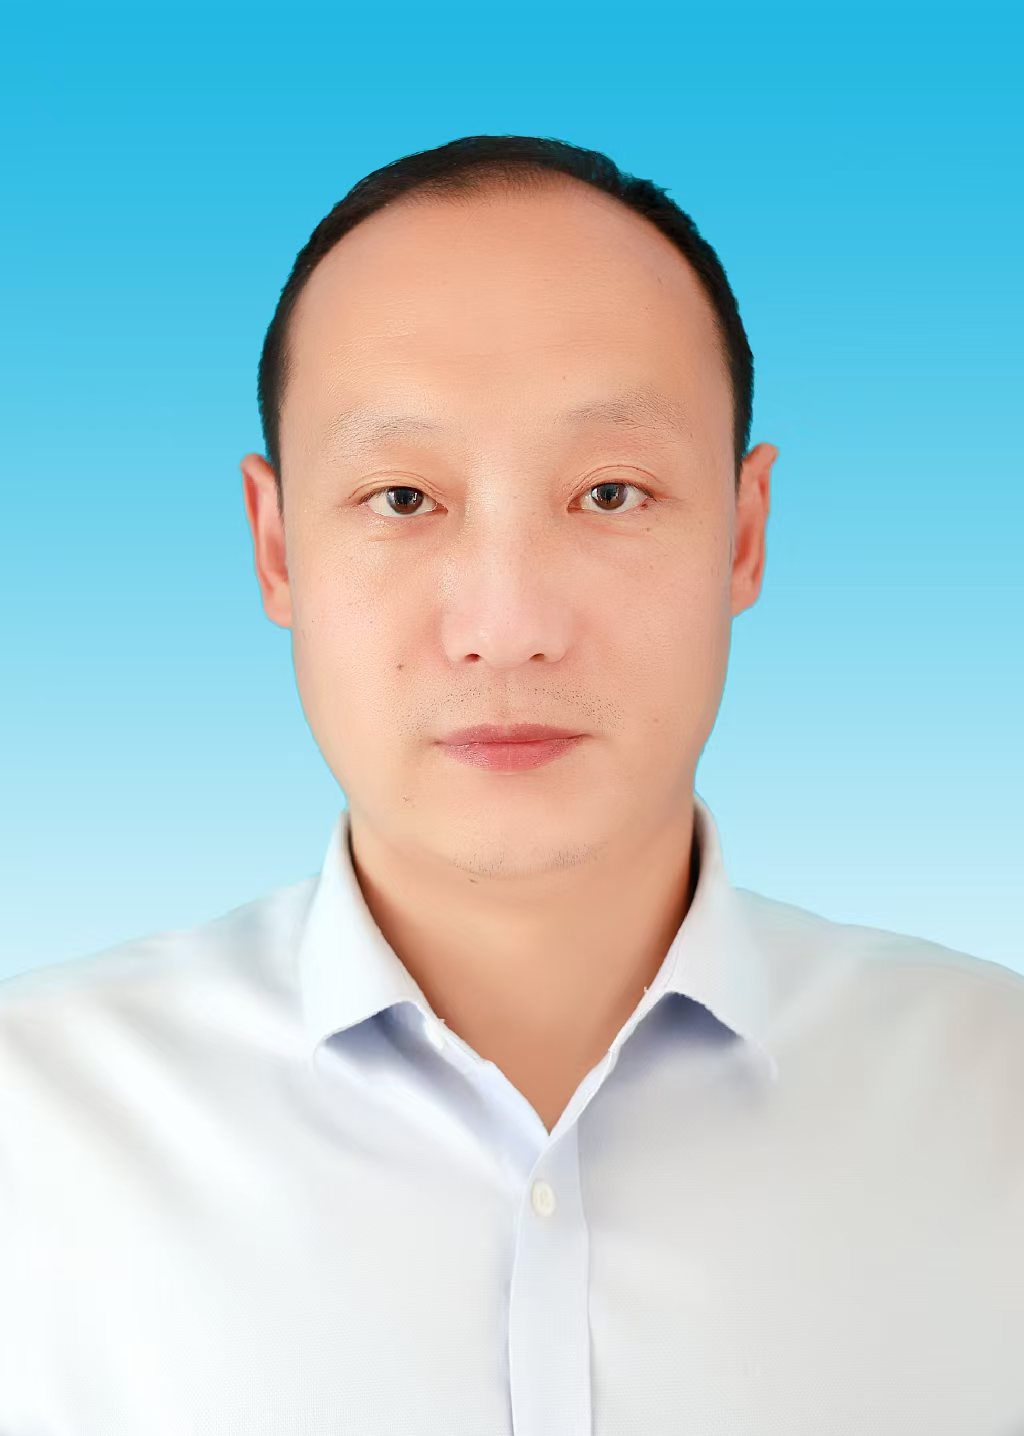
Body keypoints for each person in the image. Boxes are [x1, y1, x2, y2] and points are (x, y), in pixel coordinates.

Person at [2, 134, 1021, 1435]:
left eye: (610, 492)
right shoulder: (30, 1129)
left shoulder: (999, 1103)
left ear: (744, 531)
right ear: (276, 548)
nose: (507, 627)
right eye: (402, 497)